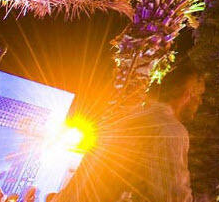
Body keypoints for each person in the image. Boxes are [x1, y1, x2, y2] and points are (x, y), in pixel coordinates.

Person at [57, 64, 206, 202]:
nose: (200, 102)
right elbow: (171, 195)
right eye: (200, 95)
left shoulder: (127, 118)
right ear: (187, 94)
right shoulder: (170, 130)